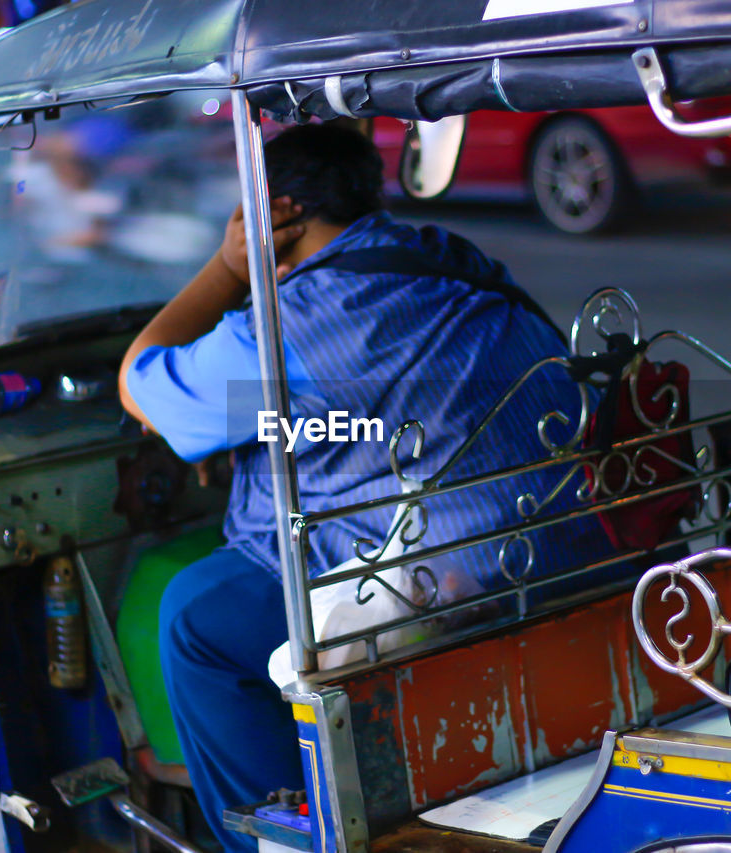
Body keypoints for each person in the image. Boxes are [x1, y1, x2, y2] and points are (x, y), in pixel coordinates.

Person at [118, 124, 608, 851]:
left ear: (275, 212)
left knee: (194, 617)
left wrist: (229, 266)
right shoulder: (455, 262)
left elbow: (138, 383)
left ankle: (276, 841)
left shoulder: (300, 320)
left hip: (450, 591)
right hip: (564, 550)